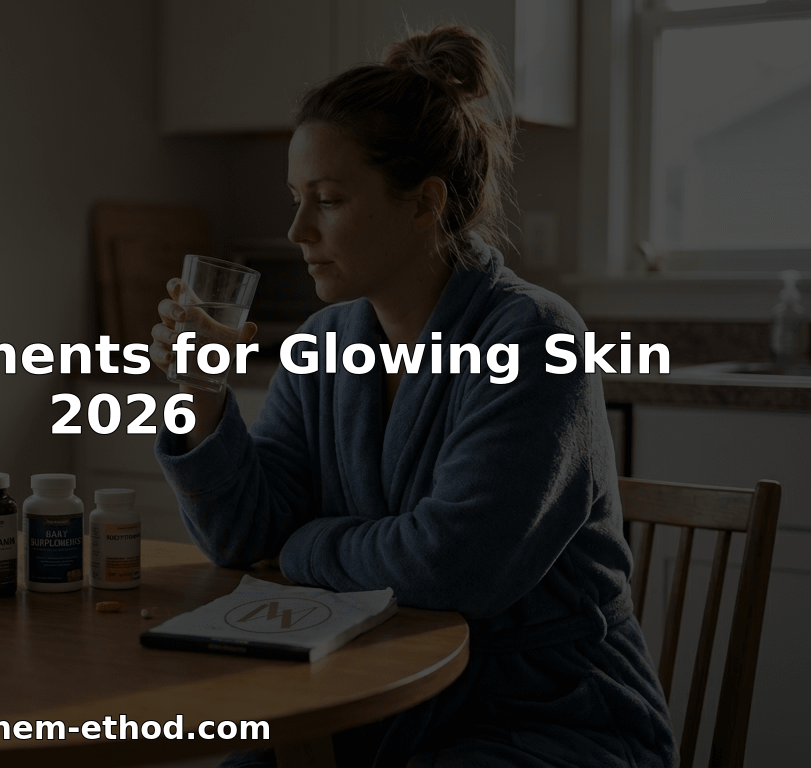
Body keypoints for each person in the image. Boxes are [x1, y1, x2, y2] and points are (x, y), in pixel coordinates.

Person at [149, 25, 675, 768]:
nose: (297, 230)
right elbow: (245, 534)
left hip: (547, 716)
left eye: (328, 200)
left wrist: (301, 546)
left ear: (425, 202)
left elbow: (452, 565)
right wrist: (200, 392)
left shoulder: (535, 338)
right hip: (376, 704)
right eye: (296, 199)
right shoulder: (324, 342)